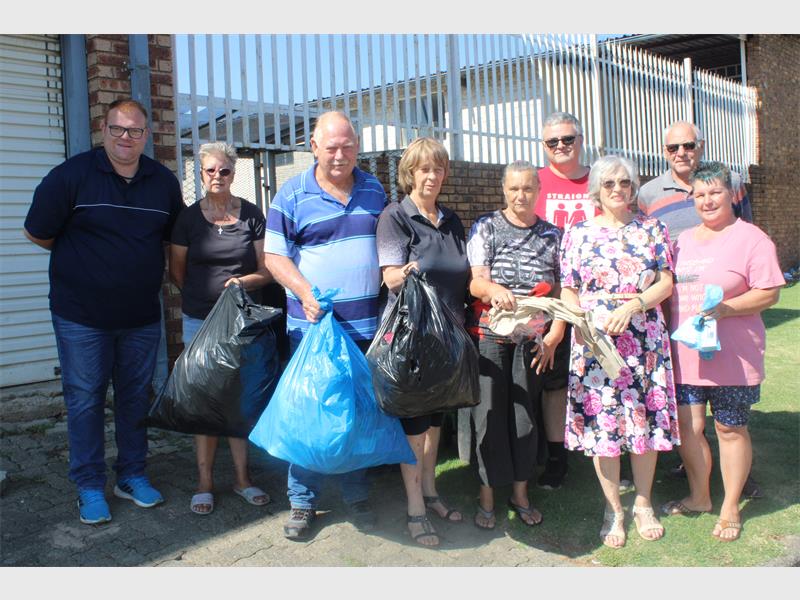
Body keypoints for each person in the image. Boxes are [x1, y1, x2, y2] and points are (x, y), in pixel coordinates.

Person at [23, 98, 184, 524]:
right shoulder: (70, 176)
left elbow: (172, 238)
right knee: (85, 401)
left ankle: (131, 475)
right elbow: (38, 232)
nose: (126, 137)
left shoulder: (162, 182)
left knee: (135, 398)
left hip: (140, 317)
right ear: (103, 129)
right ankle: (90, 484)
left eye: (135, 130)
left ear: (146, 135)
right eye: (118, 128)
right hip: (81, 317)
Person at [264, 111, 387, 540]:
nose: (339, 155)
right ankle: (303, 500)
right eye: (331, 147)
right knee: (310, 413)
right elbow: (274, 257)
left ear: (358, 147)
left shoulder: (374, 189)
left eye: (347, 146)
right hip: (313, 328)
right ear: (313, 146)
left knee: (357, 412)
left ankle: (356, 494)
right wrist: (304, 292)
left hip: (365, 327)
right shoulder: (292, 194)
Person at [560, 155, 678, 548]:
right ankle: (613, 509)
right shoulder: (577, 234)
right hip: (596, 342)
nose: (617, 189)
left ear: (633, 187)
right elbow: (568, 288)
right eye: (609, 183)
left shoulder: (653, 229)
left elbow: (665, 283)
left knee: (644, 421)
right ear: (596, 189)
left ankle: (643, 503)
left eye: (624, 182)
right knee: (604, 425)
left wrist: (633, 306)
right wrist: (580, 322)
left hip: (643, 338)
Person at [662, 162, 784, 542]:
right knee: (689, 428)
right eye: (699, 194)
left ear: (731, 194)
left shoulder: (752, 239)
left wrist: (728, 308)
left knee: (730, 428)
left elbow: (769, 292)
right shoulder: (681, 242)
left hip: (734, 356)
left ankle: (730, 505)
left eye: (715, 192)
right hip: (686, 355)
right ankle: (700, 496)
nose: (707, 200)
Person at [638, 121, 760, 497]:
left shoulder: (730, 181)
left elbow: (746, 234)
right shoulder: (648, 194)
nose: (681, 153)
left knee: (729, 415)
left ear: (700, 146)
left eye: (688, 145)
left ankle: (738, 477)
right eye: (673, 147)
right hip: (678, 316)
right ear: (664, 152)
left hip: (727, 316)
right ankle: (696, 476)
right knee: (690, 415)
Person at [169, 142, 273, 515]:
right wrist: (204, 300)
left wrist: (241, 283)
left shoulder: (252, 215)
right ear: (201, 174)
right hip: (201, 322)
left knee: (238, 399)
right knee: (205, 401)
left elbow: (267, 269)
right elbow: (177, 272)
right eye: (210, 170)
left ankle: (243, 478)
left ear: (233, 172)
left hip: (241, 323)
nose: (217, 176)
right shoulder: (188, 219)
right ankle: (204, 482)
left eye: (224, 170)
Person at [375, 137, 469, 547]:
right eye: (424, 169)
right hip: (413, 340)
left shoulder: (451, 220)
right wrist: (407, 271)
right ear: (409, 173)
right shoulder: (396, 216)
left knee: (433, 425)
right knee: (414, 427)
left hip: (447, 340)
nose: (432, 176)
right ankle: (415, 508)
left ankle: (431, 493)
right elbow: (390, 277)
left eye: (438, 168)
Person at [467, 160, 562, 530]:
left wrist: (554, 334)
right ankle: (487, 494)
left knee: (525, 417)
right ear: (503, 190)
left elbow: (561, 291)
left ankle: (520, 493)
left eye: (527, 188)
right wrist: (494, 289)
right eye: (513, 189)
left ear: (538, 191)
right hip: (491, 337)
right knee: (489, 416)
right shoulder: (486, 226)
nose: (520, 195)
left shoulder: (553, 235)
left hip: (533, 341)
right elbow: (475, 283)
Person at [533, 111, 593, 490]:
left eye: (567, 139)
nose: (560, 146)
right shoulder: (536, 182)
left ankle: (608, 448)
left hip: (594, 299)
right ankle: (557, 458)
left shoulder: (599, 180)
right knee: (554, 382)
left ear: (580, 140)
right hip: (550, 297)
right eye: (552, 141)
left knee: (600, 374)